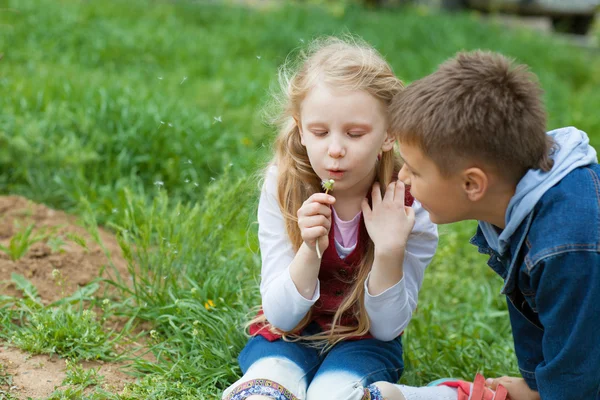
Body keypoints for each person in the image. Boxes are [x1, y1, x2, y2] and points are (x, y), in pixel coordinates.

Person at [221, 37, 438, 400]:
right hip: (288, 335)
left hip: (365, 341)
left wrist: (389, 251)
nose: (335, 149)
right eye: (320, 132)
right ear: (301, 129)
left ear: (388, 135)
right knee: (263, 391)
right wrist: (309, 250)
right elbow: (281, 316)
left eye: (355, 134)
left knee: (335, 395)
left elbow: (387, 328)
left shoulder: (409, 202)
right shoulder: (284, 185)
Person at [378, 50, 600, 400]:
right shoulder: (519, 203)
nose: (403, 178)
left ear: (472, 185)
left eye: (415, 170)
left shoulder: (567, 245)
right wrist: (538, 385)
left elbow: (581, 366)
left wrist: (554, 391)